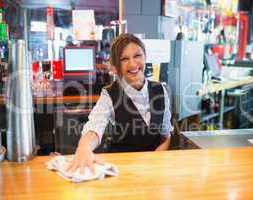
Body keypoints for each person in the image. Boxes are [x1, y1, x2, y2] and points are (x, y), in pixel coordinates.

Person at [66, 33, 173, 174]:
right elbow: (94, 126)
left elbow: (166, 135)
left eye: (137, 56)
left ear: (145, 57)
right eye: (124, 59)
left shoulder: (160, 89)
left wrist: (155, 159)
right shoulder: (109, 94)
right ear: (116, 66)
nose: (133, 64)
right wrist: (84, 147)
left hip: (154, 169)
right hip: (123, 169)